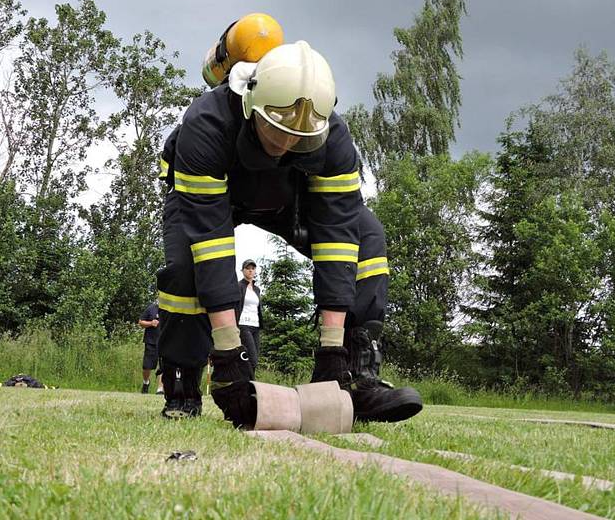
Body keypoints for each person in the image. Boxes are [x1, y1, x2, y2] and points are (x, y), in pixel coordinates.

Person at [156, 40, 422, 424]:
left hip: (286, 198)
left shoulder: (336, 141)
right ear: (251, 106)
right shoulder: (206, 124)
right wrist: (229, 355)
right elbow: (211, 246)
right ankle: (183, 383)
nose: (283, 144)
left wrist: (331, 350)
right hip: (210, 195)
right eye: (275, 128)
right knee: (186, 266)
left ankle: (354, 377)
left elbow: (338, 237)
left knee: (367, 238)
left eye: (298, 136)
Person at [237, 259, 263, 371]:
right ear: (243, 270)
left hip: (255, 326)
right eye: (248, 268)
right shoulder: (239, 286)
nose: (250, 271)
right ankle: (247, 384)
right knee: (252, 359)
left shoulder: (257, 289)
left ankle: (249, 384)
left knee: (254, 359)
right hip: (244, 325)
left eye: (253, 269)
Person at [138, 302, 163, 394]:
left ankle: (160, 389)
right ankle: (146, 382)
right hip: (151, 342)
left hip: (165, 343)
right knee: (147, 366)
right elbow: (140, 322)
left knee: (163, 366)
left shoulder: (169, 309)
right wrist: (151, 323)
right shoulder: (151, 308)